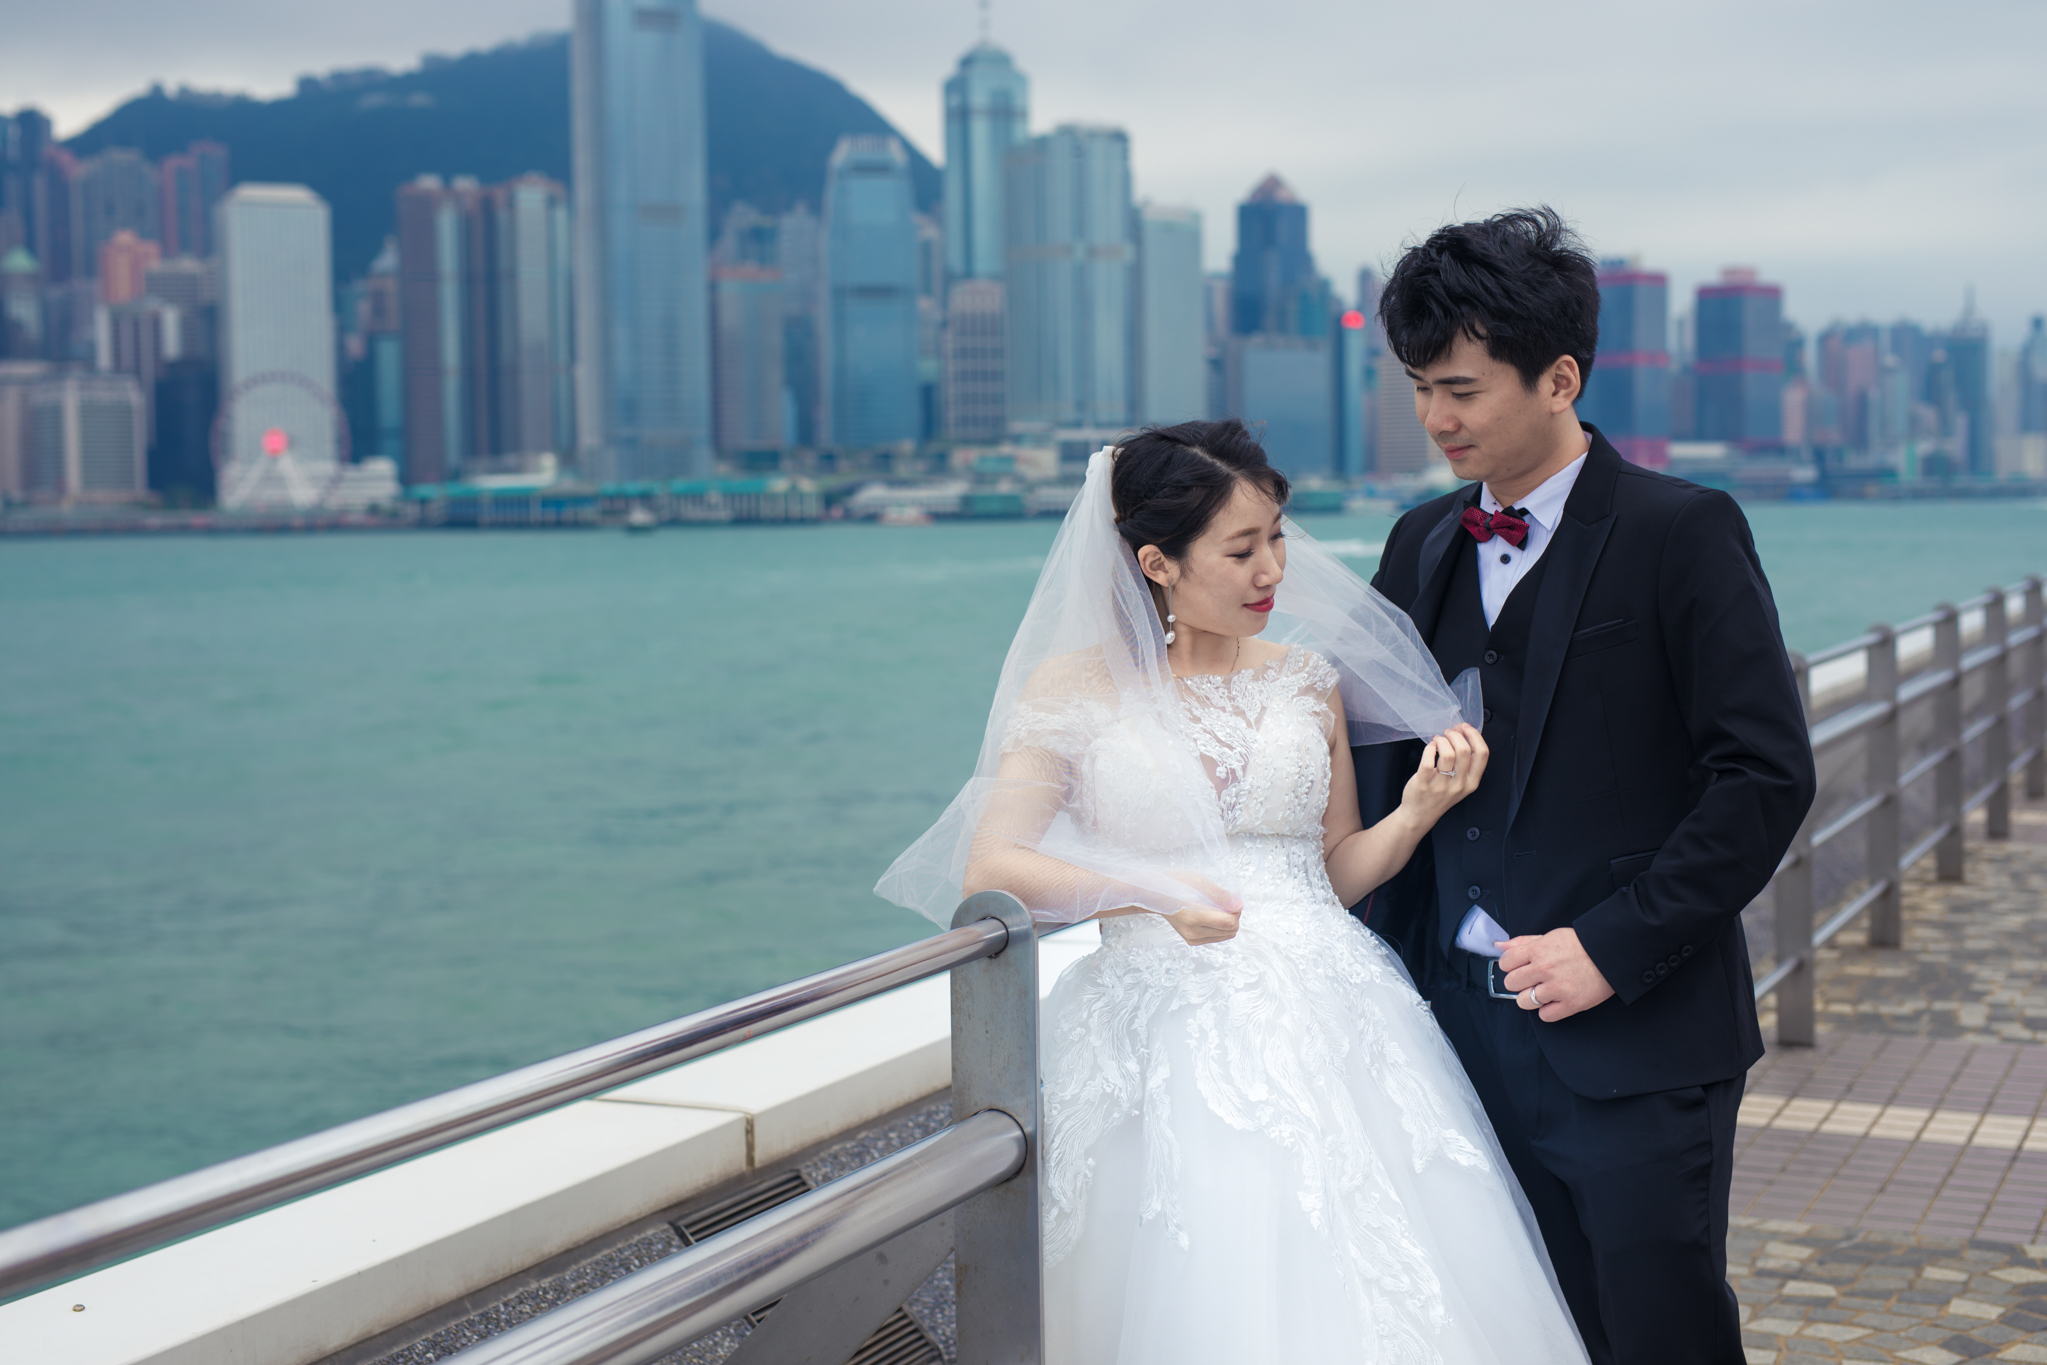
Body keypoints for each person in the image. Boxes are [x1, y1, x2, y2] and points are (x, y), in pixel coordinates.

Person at [879, 419, 1589, 1363]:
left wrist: (1417, 812)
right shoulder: (1071, 688)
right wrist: (1147, 893)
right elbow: (994, 866)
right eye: (1241, 548)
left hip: (1336, 1011)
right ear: (1157, 563)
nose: (1272, 571)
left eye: (1278, 539)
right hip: (1160, 1023)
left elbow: (1332, 869)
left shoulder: (1306, 680)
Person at [1355, 208, 1817, 1365]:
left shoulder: (1683, 531)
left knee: (1659, 1335)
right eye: (1418, 388)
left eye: (1460, 390)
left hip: (1635, 1038)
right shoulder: (1417, 544)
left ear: (1559, 378)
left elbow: (1761, 776)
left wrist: (1609, 947)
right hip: (1453, 1032)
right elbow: (1368, 769)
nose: (1434, 418)